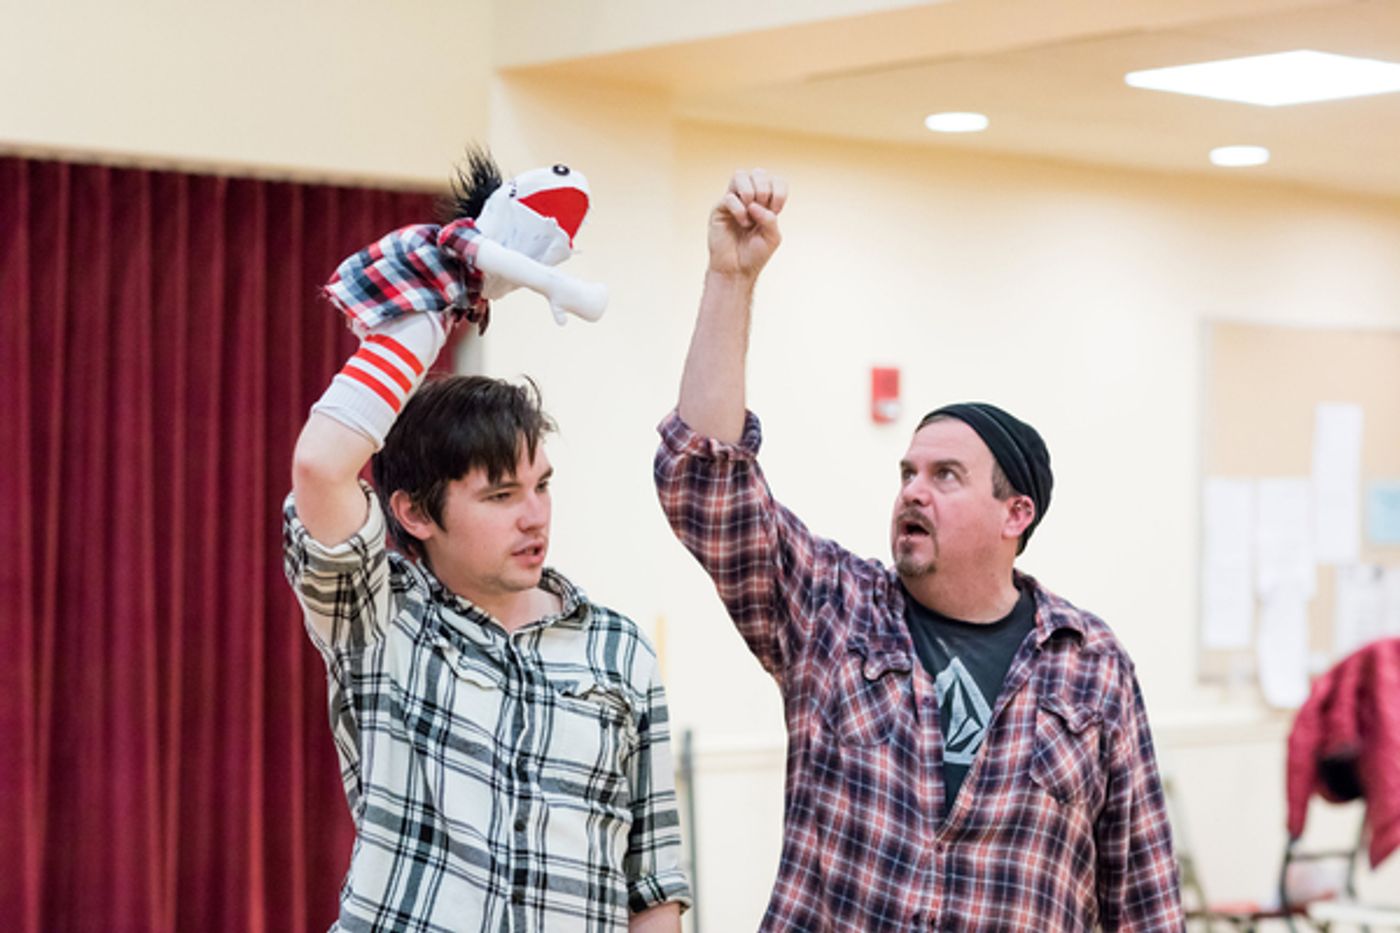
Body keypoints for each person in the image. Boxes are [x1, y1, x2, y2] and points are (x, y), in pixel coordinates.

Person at [653, 169, 1183, 931]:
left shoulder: (1091, 664)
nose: (913, 491)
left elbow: (1145, 902)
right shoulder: (833, 609)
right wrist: (730, 280)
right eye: (908, 473)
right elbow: (705, 483)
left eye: (945, 476)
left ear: (1016, 513)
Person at [283, 158, 690, 932]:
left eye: (542, 485)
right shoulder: (381, 617)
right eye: (501, 496)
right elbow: (320, 466)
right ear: (414, 513)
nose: (534, 516)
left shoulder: (618, 650)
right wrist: (439, 304)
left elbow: (654, 883)